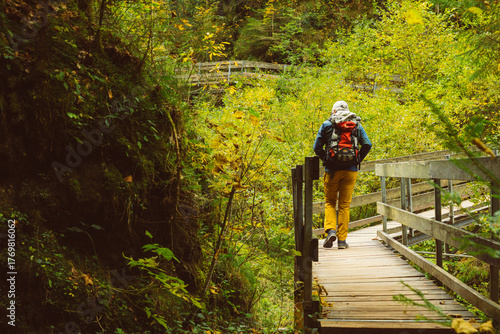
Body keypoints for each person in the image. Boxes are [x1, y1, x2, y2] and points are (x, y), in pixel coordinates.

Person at [313, 101, 372, 249]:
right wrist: (358, 159)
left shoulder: (327, 125)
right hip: (350, 170)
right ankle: (342, 241)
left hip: (332, 171)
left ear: (333, 110)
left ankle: (331, 231)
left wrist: (326, 159)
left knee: (330, 202)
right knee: (345, 205)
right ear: (347, 110)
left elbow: (316, 147)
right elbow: (367, 144)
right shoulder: (356, 124)